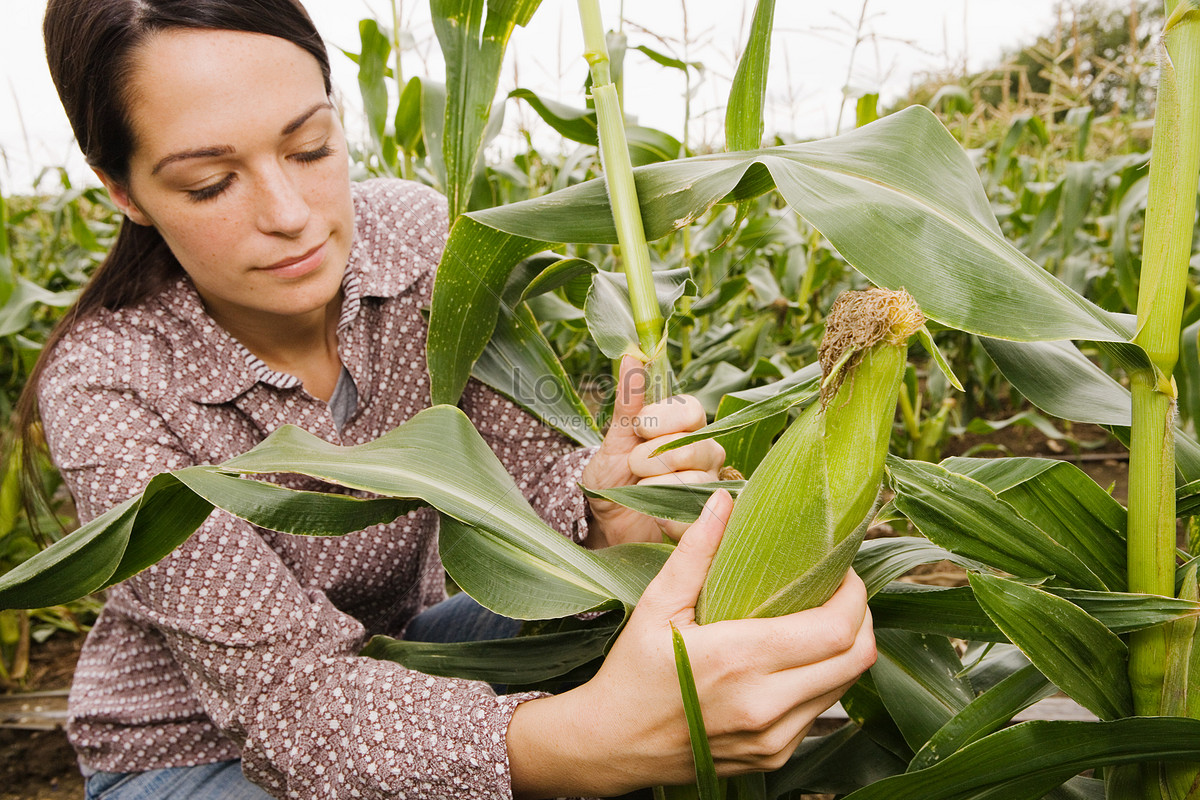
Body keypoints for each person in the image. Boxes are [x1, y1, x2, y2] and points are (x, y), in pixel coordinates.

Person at [19, 1, 877, 798]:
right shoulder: (108, 385)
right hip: (199, 746)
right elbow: (289, 707)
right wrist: (592, 740)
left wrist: (605, 506)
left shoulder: (417, 242)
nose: (290, 213)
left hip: (408, 652)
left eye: (311, 148)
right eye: (211, 183)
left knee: (651, 601)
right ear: (123, 191)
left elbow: (527, 482)